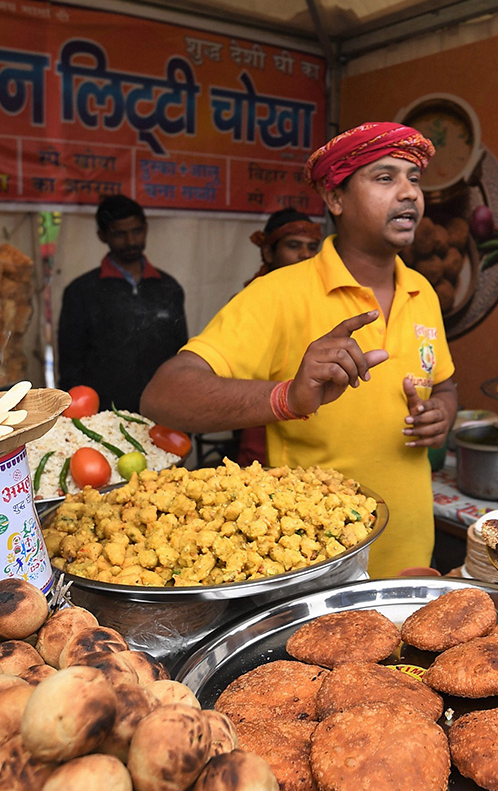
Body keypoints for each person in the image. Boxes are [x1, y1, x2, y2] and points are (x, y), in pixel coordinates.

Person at [141, 122, 458, 577]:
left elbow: (446, 385)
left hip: (412, 560)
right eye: (385, 178)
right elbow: (164, 395)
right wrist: (285, 397)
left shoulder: (421, 290)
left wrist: (442, 413)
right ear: (335, 199)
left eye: (414, 178)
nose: (408, 192)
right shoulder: (278, 293)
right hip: (318, 569)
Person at [57, 195, 188, 412]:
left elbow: (182, 356)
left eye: (136, 231)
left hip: (163, 412)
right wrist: (77, 420)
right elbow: (70, 366)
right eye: (120, 234)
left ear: (146, 228)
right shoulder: (81, 291)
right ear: (102, 236)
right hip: (104, 419)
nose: (131, 241)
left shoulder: (169, 288)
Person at [235, 208, 323, 466]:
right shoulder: (249, 302)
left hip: (316, 427)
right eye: (294, 246)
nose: (305, 255)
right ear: (268, 252)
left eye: (312, 247)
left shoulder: (324, 298)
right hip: (262, 421)